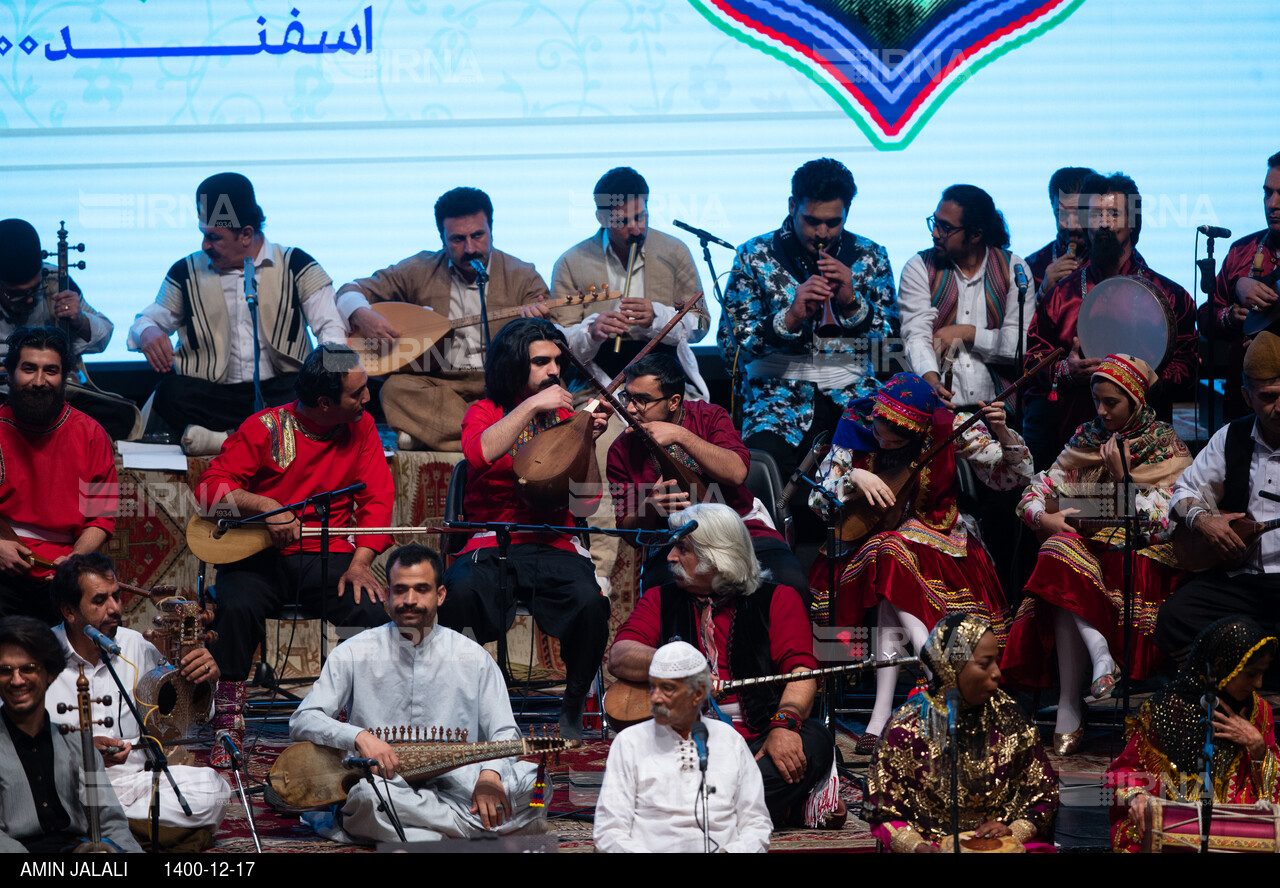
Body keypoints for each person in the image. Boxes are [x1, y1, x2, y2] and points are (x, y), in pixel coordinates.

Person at [808, 372, 1031, 753]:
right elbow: (818, 501)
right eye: (879, 436)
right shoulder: (855, 422)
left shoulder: (949, 425)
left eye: (894, 442)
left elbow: (1012, 477)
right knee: (889, 553)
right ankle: (938, 677)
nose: (882, 443)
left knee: (890, 565)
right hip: (870, 543)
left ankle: (882, 715)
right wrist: (854, 476)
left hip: (942, 541)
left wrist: (1005, 433)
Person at [194, 344, 394, 767]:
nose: (367, 399)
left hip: (329, 556)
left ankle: (359, 723)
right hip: (257, 557)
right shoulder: (265, 427)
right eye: (358, 394)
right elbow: (209, 492)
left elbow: (377, 499)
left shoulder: (362, 427)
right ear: (325, 403)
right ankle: (228, 723)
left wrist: (361, 562)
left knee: (371, 609)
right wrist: (266, 507)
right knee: (236, 605)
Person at [290, 544, 547, 844]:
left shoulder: (472, 657)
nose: (409, 600)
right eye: (400, 590)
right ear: (386, 594)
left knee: (537, 785)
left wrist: (490, 775)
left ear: (440, 595)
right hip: (387, 785)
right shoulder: (355, 651)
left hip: (461, 784)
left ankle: (420, 837)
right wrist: (359, 737)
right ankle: (463, 836)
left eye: (421, 590)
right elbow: (303, 720)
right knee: (365, 799)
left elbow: (504, 731)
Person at [1002, 355, 1192, 753]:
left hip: (1137, 554)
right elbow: (1035, 492)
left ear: (1136, 401)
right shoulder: (1086, 438)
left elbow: (1167, 520)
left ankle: (1073, 702)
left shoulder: (1165, 444)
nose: (1101, 412)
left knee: (1064, 564)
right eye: (1097, 401)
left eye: (1111, 403)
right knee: (1056, 546)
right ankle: (1097, 660)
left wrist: (1121, 483)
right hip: (1088, 549)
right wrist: (1045, 519)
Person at [609, 503, 838, 828]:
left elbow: (802, 674)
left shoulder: (778, 598)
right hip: (684, 741)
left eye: (683, 548)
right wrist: (683, 666)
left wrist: (783, 727)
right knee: (634, 752)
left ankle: (693, 810)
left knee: (816, 740)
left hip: (760, 736)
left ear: (718, 555)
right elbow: (620, 656)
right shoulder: (660, 599)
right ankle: (766, 805)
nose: (671, 557)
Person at [438, 318, 610, 740]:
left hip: (554, 542)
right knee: (457, 595)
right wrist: (533, 407)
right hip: (489, 542)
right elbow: (479, 455)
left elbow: (585, 501)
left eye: (557, 361)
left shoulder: (570, 417)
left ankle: (572, 702)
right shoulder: (485, 412)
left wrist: (585, 441)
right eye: (540, 362)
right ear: (514, 365)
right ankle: (460, 700)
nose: (554, 370)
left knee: (591, 603)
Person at [128, 172, 348, 454]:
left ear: (245, 234)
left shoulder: (296, 264)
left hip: (281, 392)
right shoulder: (186, 271)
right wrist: (147, 332)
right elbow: (146, 320)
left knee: (314, 393)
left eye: (214, 237)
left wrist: (335, 381)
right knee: (171, 391)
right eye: (203, 235)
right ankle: (263, 437)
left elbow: (331, 329)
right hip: (216, 396)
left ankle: (225, 440)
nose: (205, 245)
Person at [717, 157, 898, 489]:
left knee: (892, 458)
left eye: (833, 222)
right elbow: (731, 352)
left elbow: (891, 349)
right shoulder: (753, 255)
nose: (822, 233)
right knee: (757, 474)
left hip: (855, 399)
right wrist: (790, 318)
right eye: (811, 220)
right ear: (791, 206)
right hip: (775, 403)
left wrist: (852, 303)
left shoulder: (871, 256)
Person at [336, 186, 553, 452]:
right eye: (457, 239)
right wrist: (363, 314)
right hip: (440, 382)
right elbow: (349, 291)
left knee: (547, 384)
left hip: (503, 382)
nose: (470, 248)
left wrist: (539, 324)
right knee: (395, 389)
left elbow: (550, 338)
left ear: (491, 230)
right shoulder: (419, 269)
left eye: (478, 235)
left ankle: (442, 436)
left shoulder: (523, 275)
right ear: (442, 238)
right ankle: (499, 438)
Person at [45, 554, 230, 845]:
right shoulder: (39, 655)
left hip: (135, 781)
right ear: (69, 610)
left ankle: (102, 828)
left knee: (213, 790)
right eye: (100, 601)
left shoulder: (136, 645)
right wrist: (81, 749)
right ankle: (138, 832)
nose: (115, 608)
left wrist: (206, 681)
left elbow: (186, 720)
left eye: (116, 597)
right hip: (70, 783)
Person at [1022, 172, 1198, 471]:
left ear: (1133, 223)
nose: (1103, 223)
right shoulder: (1061, 297)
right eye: (1094, 214)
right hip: (1078, 449)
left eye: (1113, 214)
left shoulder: (1170, 296)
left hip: (1148, 455)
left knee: (1140, 516)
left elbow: (1188, 366)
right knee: (1082, 517)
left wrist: (1141, 380)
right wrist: (1067, 370)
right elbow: (1033, 364)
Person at [605, 353, 806, 596]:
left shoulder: (710, 417)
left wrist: (681, 436)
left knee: (790, 582)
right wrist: (649, 507)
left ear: (674, 401)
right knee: (660, 595)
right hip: (673, 539)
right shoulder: (621, 449)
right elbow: (629, 533)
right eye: (627, 397)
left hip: (739, 526)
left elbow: (736, 473)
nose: (629, 409)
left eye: (642, 400)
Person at [864, 613, 1059, 853]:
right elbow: (882, 811)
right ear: (951, 666)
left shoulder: (1012, 718)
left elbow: (1043, 796)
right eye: (985, 663)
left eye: (996, 661)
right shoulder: (904, 727)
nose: (997, 672)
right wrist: (916, 847)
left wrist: (1012, 830)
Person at [1154, 331, 1280, 666]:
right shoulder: (1232, 437)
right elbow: (1183, 492)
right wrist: (1204, 520)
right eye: (1268, 397)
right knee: (1174, 618)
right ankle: (1227, 686)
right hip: (1242, 581)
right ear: (1247, 395)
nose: (1279, 407)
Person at [1109, 617, 1278, 853]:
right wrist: (1137, 797)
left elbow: (1269, 799)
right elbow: (1124, 771)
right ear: (1221, 666)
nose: (1258, 683)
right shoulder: (1164, 709)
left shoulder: (1259, 713)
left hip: (1238, 831)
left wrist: (1258, 748)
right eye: (1250, 674)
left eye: (1262, 674)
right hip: (1173, 825)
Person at [594, 640, 772, 853]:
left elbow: (756, 822)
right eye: (653, 686)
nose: (655, 698)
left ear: (697, 693)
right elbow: (609, 831)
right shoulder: (629, 743)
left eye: (667, 688)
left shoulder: (729, 740)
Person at [553, 167, 710, 399]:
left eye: (641, 216)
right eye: (622, 221)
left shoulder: (675, 252)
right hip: (598, 383)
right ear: (602, 218)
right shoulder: (571, 262)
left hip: (665, 381)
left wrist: (658, 317)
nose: (636, 229)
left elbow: (701, 323)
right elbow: (561, 342)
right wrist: (592, 331)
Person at [0, 326, 116, 624]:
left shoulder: (92, 434)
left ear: (64, 376)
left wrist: (74, 561)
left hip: (63, 573)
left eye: (50, 371)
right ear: (9, 373)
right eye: (28, 369)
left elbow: (101, 518)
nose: (39, 381)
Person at [0, 615, 143, 853]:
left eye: (28, 669)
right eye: (5, 671)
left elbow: (109, 821)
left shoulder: (79, 745)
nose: (16, 680)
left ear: (50, 674)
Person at [899, 184, 1034, 411]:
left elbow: (1022, 345)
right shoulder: (920, 267)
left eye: (945, 227)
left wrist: (969, 334)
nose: (935, 233)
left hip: (1000, 411)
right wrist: (931, 382)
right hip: (939, 409)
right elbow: (916, 336)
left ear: (975, 234)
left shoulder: (1014, 268)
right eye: (935, 222)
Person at [1198, 151, 1280, 422]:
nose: (1272, 204)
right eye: (1267, 193)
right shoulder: (1242, 252)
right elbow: (1206, 319)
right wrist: (1231, 314)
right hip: (1244, 411)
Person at [1024, 167, 1096, 292]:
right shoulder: (1033, 266)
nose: (1071, 226)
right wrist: (1043, 290)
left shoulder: (1120, 260)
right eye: (1062, 214)